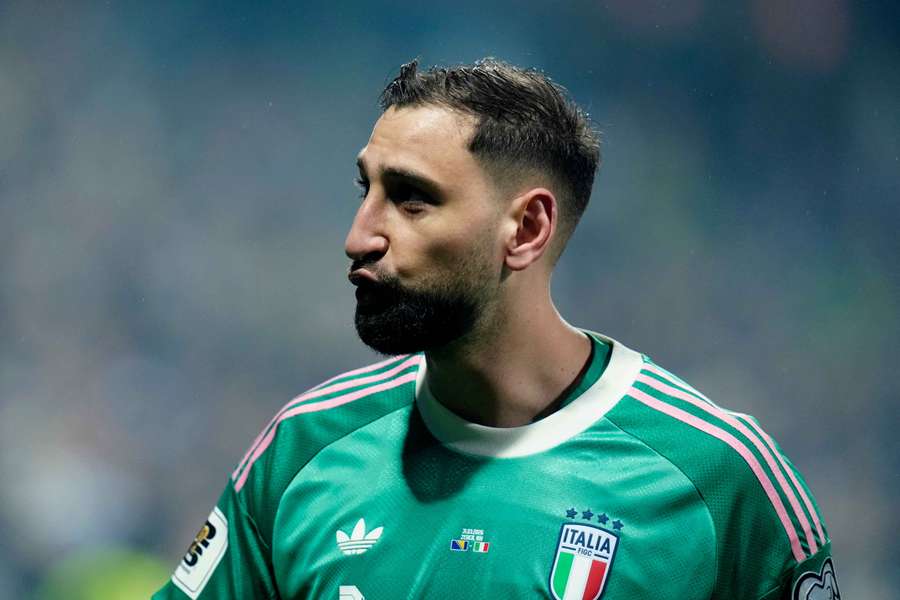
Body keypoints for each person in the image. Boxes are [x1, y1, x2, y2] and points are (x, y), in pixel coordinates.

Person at [154, 59, 836, 600]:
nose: (359, 236)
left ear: (527, 229)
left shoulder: (719, 478)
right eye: (365, 191)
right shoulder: (302, 448)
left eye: (412, 199)